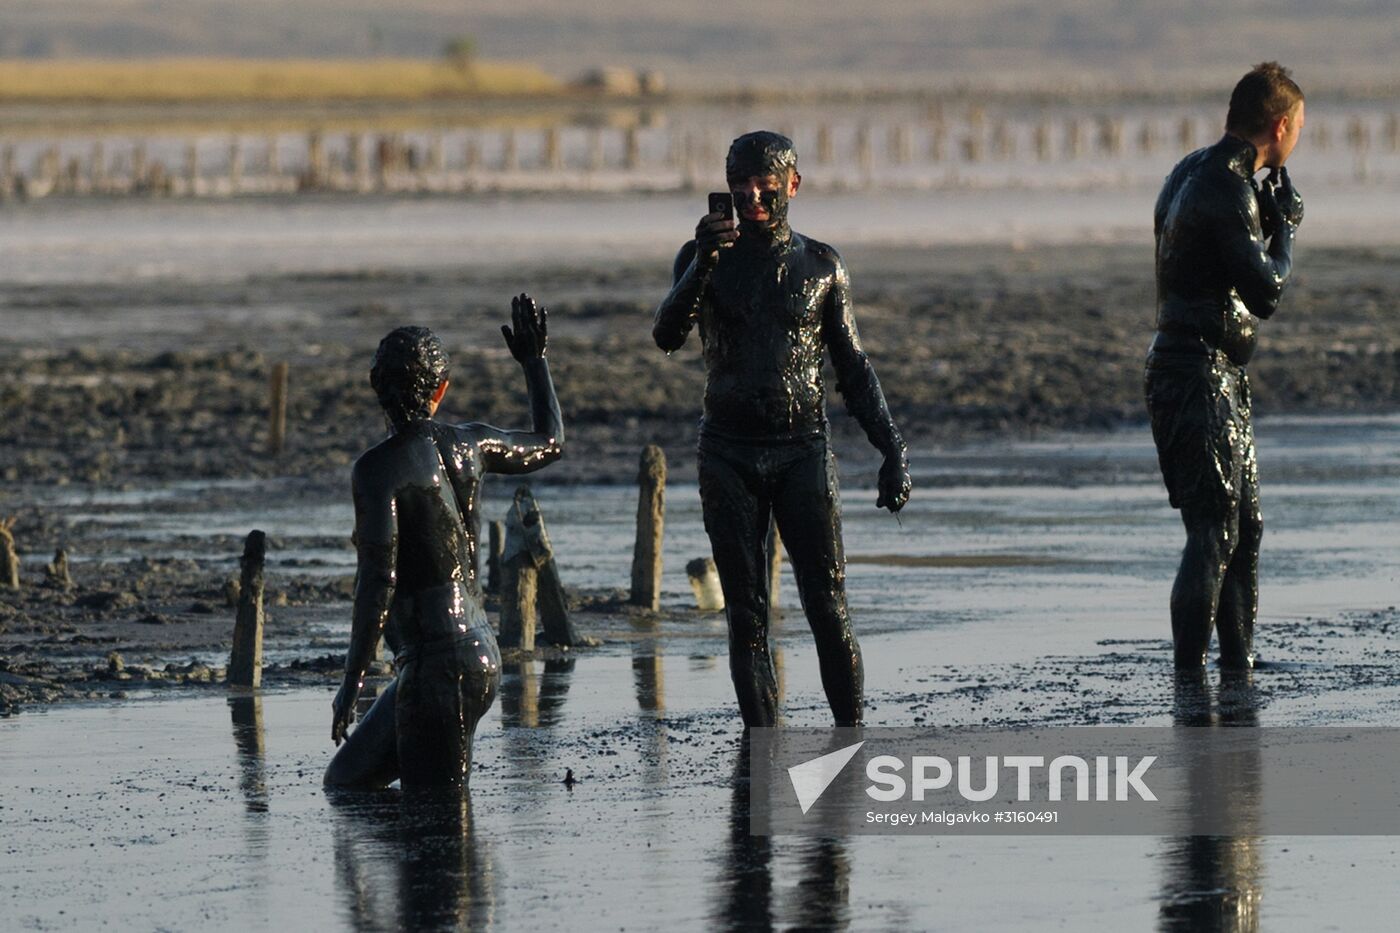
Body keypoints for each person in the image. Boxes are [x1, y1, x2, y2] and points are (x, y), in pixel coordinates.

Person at [653, 131, 911, 727]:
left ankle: (851, 739)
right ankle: (763, 752)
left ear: (792, 184)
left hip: (802, 450)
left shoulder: (821, 265)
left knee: (827, 605)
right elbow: (666, 335)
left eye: (765, 188)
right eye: (739, 188)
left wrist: (892, 448)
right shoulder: (700, 257)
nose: (752, 200)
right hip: (727, 452)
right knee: (746, 615)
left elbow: (852, 365)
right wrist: (701, 265)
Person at [325, 295, 564, 790]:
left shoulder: (375, 470)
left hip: (442, 667)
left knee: (437, 822)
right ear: (442, 390)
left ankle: (469, 869)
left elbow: (378, 580)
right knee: (345, 782)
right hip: (469, 656)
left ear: (375, 386)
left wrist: (352, 679)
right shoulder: (471, 444)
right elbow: (550, 440)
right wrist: (535, 363)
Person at [1145, 62, 1306, 671]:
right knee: (1212, 531)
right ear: (1280, 124)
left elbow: (1210, 254)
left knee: (1246, 525)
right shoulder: (1220, 184)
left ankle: (1238, 665)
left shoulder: (1190, 173)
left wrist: (1262, 220)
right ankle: (1189, 678)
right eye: (1298, 130)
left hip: (1214, 375)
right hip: (1193, 373)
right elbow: (1266, 292)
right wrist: (1285, 233)